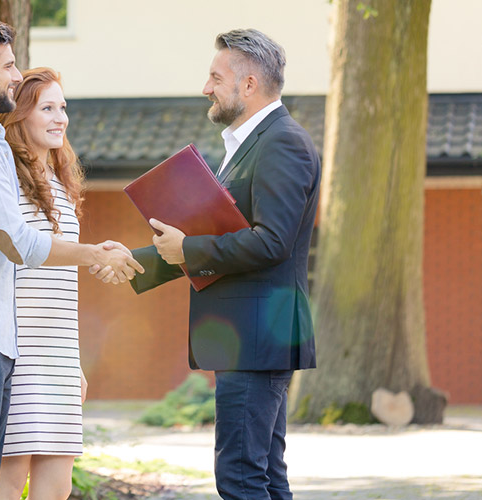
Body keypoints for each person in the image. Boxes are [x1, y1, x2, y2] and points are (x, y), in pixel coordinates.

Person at [0, 17, 143, 500]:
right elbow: (15, 241)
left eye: (64, 108)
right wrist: (92, 254)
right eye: (9, 65)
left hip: (0, 339)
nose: (15, 76)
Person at [100, 29, 320, 500]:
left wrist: (191, 250)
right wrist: (135, 261)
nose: (206, 87)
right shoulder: (249, 144)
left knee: (241, 478)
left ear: (248, 84)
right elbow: (216, 233)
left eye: (215, 77)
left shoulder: (282, 142)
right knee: (263, 476)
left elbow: (272, 241)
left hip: (258, 338)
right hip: (254, 337)